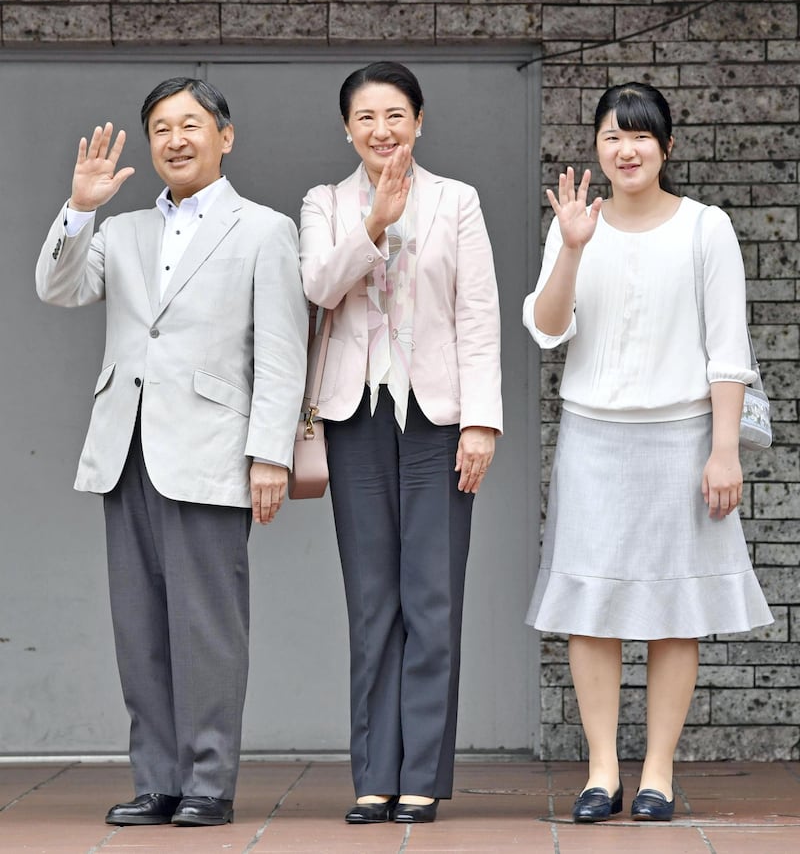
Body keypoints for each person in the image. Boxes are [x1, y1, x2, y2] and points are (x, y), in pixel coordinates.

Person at [35, 78, 308, 827]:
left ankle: (209, 783)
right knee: (141, 628)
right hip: (125, 448)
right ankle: (157, 779)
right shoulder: (118, 231)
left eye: (191, 124)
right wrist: (80, 207)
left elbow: (282, 352)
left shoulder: (263, 229)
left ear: (226, 135)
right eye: (161, 127)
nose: (175, 139)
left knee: (208, 629)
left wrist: (270, 454)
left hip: (213, 451)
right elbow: (56, 287)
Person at [523, 82, 773, 824]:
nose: (625, 148)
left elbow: (728, 351)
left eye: (640, 135)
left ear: (666, 147)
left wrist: (724, 449)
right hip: (593, 436)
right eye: (611, 135)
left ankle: (658, 770)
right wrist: (570, 248)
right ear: (596, 147)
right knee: (590, 606)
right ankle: (602, 770)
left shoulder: (706, 227)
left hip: (682, 437)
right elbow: (546, 326)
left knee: (674, 610)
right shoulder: (576, 225)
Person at [299, 61, 502, 825]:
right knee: (372, 600)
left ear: (419, 120)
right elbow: (320, 284)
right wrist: (374, 221)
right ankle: (373, 774)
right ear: (347, 129)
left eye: (395, 115)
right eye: (365, 118)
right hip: (355, 417)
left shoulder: (458, 200)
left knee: (432, 595)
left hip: (439, 418)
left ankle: (420, 774)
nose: (381, 130)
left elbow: (477, 313)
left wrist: (481, 419)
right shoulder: (324, 203)